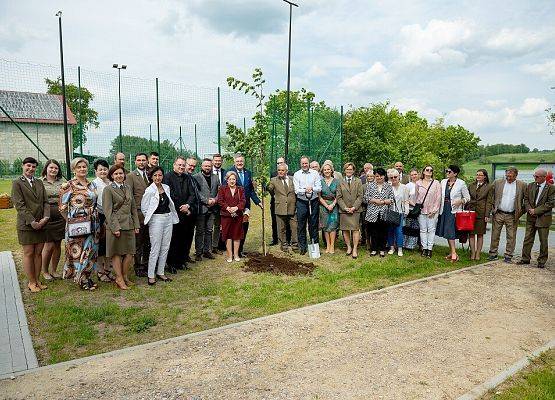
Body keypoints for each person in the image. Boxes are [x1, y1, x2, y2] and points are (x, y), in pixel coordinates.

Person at [59, 157, 99, 290]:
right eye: (79, 167)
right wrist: (71, 222)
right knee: (78, 251)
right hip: (77, 225)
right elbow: (62, 208)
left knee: (90, 250)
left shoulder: (91, 184)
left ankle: (87, 276)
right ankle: (80, 279)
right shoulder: (68, 185)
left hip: (93, 223)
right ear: (74, 169)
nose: (82, 169)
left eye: (84, 167)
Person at [12, 157, 50, 293]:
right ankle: (31, 282)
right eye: (28, 166)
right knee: (29, 253)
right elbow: (19, 205)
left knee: (38, 253)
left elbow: (46, 202)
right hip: (27, 225)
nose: (31, 169)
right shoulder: (17, 183)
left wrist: (45, 218)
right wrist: (32, 222)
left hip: (41, 223)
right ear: (23, 166)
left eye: (34, 167)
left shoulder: (39, 182)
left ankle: (37, 280)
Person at [103, 164, 140, 290]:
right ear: (112, 176)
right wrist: (115, 228)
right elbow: (108, 211)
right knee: (116, 253)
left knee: (130, 252)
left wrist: (136, 224)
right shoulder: (108, 189)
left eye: (121, 173)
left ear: (124, 174)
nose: (119, 176)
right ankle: (119, 278)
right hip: (116, 225)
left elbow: (133, 208)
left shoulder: (128, 187)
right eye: (116, 174)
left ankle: (125, 276)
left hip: (129, 224)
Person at [141, 166, 179, 285]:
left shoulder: (166, 187)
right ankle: (151, 275)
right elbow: (144, 208)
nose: (158, 177)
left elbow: (170, 203)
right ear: (151, 177)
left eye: (160, 175)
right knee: (155, 247)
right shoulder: (149, 190)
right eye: (155, 175)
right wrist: (151, 220)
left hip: (168, 218)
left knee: (165, 246)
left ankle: (161, 272)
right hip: (156, 220)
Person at [486, 166, 527, 263]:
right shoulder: (497, 183)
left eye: (511, 176)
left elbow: (527, 200)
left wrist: (520, 212)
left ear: (516, 176)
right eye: (507, 176)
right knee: (495, 234)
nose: (508, 178)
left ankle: (508, 256)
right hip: (498, 213)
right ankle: (493, 254)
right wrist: (491, 210)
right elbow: (490, 196)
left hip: (512, 215)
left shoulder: (522, 185)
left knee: (511, 236)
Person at [164, 156, 197, 272]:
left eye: (183, 165)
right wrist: (180, 206)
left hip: (186, 213)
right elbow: (170, 195)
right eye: (179, 165)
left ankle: (181, 262)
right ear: (174, 165)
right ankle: (171, 264)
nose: (181, 167)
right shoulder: (167, 177)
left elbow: (192, 194)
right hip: (174, 213)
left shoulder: (187, 178)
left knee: (185, 239)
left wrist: (187, 206)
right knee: (174, 240)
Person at [517, 168, 555, 269]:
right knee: (528, 239)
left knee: (543, 241)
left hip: (543, 218)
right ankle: (525, 258)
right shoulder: (530, 185)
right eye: (534, 176)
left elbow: (550, 203)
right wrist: (530, 209)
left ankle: (541, 261)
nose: (535, 178)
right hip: (531, 217)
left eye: (537, 176)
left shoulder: (551, 188)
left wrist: (536, 211)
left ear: (544, 177)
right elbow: (526, 199)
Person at [228, 154, 263, 256]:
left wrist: (258, 202)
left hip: (246, 205)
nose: (239, 163)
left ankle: (240, 250)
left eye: (241, 161)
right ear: (234, 162)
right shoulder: (230, 172)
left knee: (244, 226)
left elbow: (251, 190)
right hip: (234, 206)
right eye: (238, 161)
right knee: (235, 228)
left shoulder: (248, 173)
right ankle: (233, 251)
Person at [436, 165, 470, 262]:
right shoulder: (443, 182)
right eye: (447, 171)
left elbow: (468, 198)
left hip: (453, 210)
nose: (447, 173)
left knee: (450, 231)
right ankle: (452, 252)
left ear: (455, 173)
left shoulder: (461, 183)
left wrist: (460, 201)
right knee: (447, 231)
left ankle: (454, 253)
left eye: (449, 171)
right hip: (444, 208)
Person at [40, 159, 65, 280]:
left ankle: (54, 270)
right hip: (47, 215)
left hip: (60, 215)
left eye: (56, 168)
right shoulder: (40, 182)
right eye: (51, 168)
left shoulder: (63, 182)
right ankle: (45, 271)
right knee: (48, 245)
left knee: (58, 244)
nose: (53, 170)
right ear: (46, 169)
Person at [127, 153, 150, 277]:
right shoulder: (130, 176)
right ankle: (138, 266)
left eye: (143, 160)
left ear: (147, 161)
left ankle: (147, 264)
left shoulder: (150, 175)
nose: (141, 162)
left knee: (148, 240)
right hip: (138, 213)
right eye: (139, 160)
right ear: (135, 162)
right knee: (138, 242)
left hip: (150, 214)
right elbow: (129, 197)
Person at [294, 156, 322, 255]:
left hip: (313, 201)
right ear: (300, 164)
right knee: (301, 225)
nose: (305, 165)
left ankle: (315, 246)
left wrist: (312, 188)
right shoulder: (297, 174)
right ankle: (303, 247)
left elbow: (319, 188)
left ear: (309, 164)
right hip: (301, 202)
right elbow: (297, 190)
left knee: (313, 225)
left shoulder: (315, 173)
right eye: (303, 163)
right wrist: (305, 189)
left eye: (306, 163)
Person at [193, 158, 220, 261]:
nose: (207, 168)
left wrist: (215, 200)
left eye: (209, 166)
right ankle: (198, 252)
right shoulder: (196, 177)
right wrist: (206, 201)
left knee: (209, 230)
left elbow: (219, 190)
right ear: (202, 166)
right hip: (201, 208)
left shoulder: (216, 177)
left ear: (211, 166)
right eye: (205, 166)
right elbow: (196, 193)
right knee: (200, 231)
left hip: (213, 209)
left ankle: (207, 251)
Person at [364, 168, 394, 257]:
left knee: (383, 231)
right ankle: (373, 249)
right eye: (377, 176)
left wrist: (384, 201)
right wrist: (374, 200)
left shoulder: (388, 186)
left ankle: (382, 249)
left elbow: (392, 199)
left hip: (384, 212)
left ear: (384, 176)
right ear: (375, 176)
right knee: (373, 231)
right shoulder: (370, 185)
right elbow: (365, 198)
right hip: (372, 212)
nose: (379, 177)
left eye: (381, 175)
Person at [268, 163, 298, 251]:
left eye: (282, 170)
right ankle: (283, 245)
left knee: (294, 227)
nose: (280, 172)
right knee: (281, 228)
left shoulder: (293, 179)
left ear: (287, 171)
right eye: (279, 170)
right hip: (280, 207)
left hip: (292, 207)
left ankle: (295, 245)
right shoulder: (273, 180)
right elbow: (270, 189)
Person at [92, 159, 113, 282]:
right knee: (100, 245)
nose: (103, 171)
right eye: (100, 169)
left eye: (105, 169)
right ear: (96, 171)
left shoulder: (110, 183)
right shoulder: (94, 184)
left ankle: (108, 269)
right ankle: (100, 271)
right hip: (99, 216)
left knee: (109, 244)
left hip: (111, 217)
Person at [337, 162, 364, 258]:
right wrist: (344, 207)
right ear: (344, 171)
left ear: (353, 170)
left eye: (350, 169)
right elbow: (339, 197)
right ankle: (349, 247)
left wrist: (353, 207)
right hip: (344, 210)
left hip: (355, 210)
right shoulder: (340, 182)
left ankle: (355, 248)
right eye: (347, 169)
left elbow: (360, 196)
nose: (349, 171)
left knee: (355, 229)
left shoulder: (358, 181)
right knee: (345, 230)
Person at [218, 171, 246, 262]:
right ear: (227, 180)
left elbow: (243, 201)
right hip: (226, 216)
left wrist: (237, 208)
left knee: (237, 235)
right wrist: (228, 208)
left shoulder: (240, 189)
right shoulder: (222, 189)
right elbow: (220, 201)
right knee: (228, 235)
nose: (232, 181)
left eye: (234, 179)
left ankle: (236, 255)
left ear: (236, 180)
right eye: (230, 179)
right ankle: (230, 255)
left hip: (237, 215)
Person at [414, 165, 442, 258]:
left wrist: (434, 210)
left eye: (431, 170)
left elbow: (438, 198)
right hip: (421, 210)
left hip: (432, 211)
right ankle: (424, 248)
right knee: (422, 230)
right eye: (427, 170)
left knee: (431, 230)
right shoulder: (418, 183)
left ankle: (430, 249)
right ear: (423, 171)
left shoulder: (436, 183)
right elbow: (416, 197)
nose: (429, 171)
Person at [466, 169, 492, 260]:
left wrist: (487, 214)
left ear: (485, 176)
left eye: (480, 175)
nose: (478, 176)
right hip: (471, 211)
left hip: (482, 212)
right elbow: (467, 198)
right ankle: (472, 252)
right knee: (471, 234)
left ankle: (478, 253)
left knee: (480, 234)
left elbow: (489, 202)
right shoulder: (471, 185)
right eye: (477, 175)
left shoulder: (489, 187)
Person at [386, 168, 410, 257]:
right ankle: (391, 247)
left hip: (400, 212)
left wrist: (406, 211)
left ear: (399, 177)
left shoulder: (404, 188)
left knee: (399, 231)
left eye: (395, 177)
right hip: (390, 212)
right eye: (391, 177)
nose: (393, 179)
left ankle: (400, 248)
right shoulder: (388, 187)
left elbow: (406, 201)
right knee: (390, 231)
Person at [319, 163, 339, 254]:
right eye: (325, 170)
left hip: (334, 205)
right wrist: (326, 205)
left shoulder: (337, 181)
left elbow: (338, 195)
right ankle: (327, 244)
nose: (327, 171)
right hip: (323, 205)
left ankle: (332, 246)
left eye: (328, 169)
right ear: (323, 171)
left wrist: (333, 205)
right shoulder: (320, 181)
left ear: (331, 170)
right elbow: (319, 196)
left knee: (333, 225)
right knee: (325, 225)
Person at [269, 157, 290, 246]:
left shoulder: (290, 175)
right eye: (277, 163)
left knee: (288, 222)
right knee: (275, 221)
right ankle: (275, 239)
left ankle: (288, 239)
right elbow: (271, 189)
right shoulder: (273, 175)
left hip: (287, 203)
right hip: (276, 201)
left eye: (281, 162)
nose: (279, 165)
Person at [403, 168, 421, 250]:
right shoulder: (407, 186)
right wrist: (415, 204)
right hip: (410, 209)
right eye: (412, 175)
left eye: (415, 174)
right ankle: (405, 244)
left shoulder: (422, 184)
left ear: (419, 174)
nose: (414, 176)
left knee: (416, 228)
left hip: (420, 209)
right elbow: (405, 198)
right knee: (407, 227)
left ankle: (413, 244)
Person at [211, 153, 226, 254]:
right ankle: (204, 247)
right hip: (209, 203)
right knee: (206, 227)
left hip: (221, 204)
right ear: (213, 161)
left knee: (217, 226)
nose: (217, 162)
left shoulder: (226, 172)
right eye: (216, 160)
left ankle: (215, 246)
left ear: (222, 161)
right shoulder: (207, 171)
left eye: (219, 160)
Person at [361, 169, 375, 250]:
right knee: (366, 227)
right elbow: (361, 198)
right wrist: (370, 201)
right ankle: (367, 242)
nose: (370, 177)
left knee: (374, 226)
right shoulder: (363, 186)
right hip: (365, 209)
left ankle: (374, 242)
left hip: (375, 209)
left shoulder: (376, 186)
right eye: (368, 176)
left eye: (371, 176)